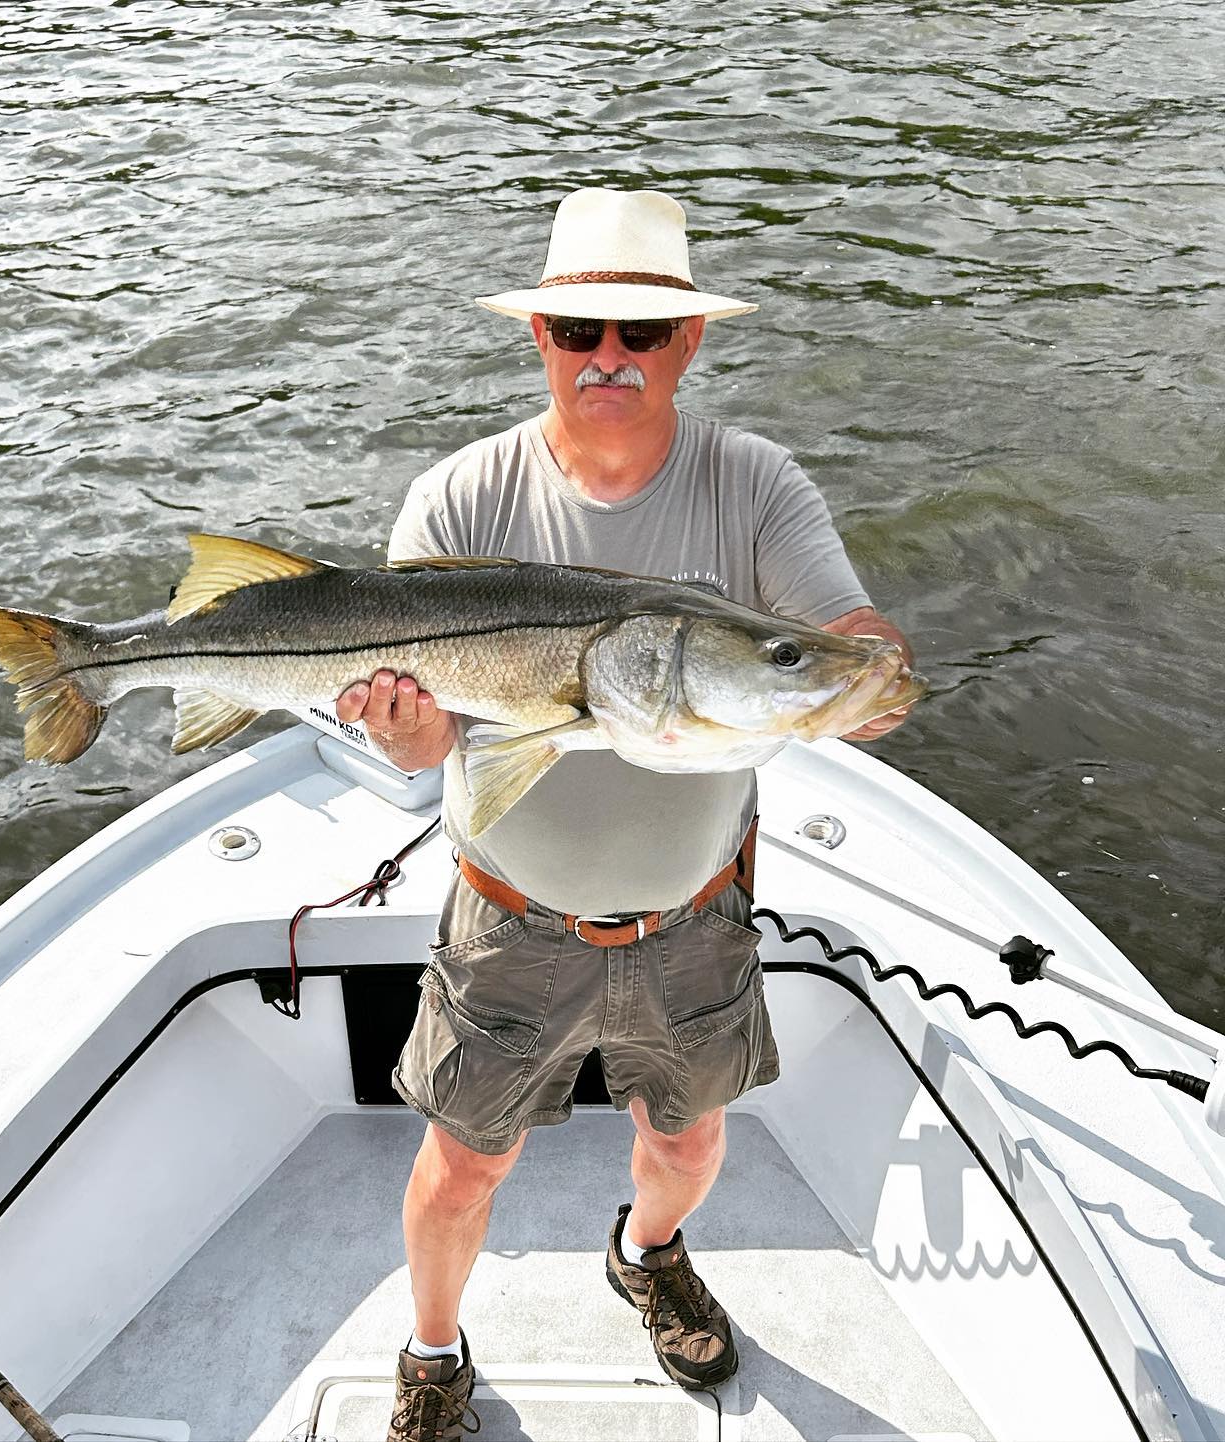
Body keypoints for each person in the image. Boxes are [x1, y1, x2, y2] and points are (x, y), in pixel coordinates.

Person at [335, 186, 915, 1442]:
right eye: (578, 332)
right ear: (538, 336)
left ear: (689, 343)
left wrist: (856, 660)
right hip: (508, 913)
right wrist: (409, 730)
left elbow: (833, 622)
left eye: (641, 335)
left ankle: (646, 1253)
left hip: (695, 919)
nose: (608, 358)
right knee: (463, 1164)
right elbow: (429, 738)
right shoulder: (458, 498)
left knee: (691, 1142)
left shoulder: (754, 483)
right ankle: (432, 1349)